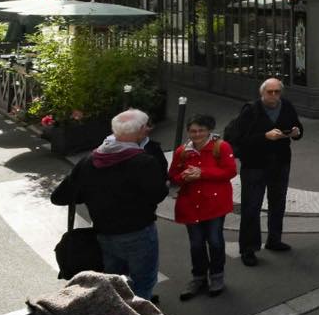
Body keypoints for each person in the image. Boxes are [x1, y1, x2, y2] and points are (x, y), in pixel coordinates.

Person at [50, 108, 169, 302]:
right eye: (146, 126)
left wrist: (94, 193)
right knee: (143, 281)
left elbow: (59, 197)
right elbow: (158, 194)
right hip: (138, 233)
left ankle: (117, 313)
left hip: (104, 234)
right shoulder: (144, 162)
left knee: (113, 281)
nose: (148, 129)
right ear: (139, 131)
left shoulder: (89, 160)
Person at [228, 77, 304, 266]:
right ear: (262, 93)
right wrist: (265, 137)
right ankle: (248, 248)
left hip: (280, 163)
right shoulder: (251, 111)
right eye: (269, 92)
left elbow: (298, 127)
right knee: (251, 207)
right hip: (255, 165)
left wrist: (296, 132)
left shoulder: (286, 106)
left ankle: (274, 239)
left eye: (277, 92)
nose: (273, 95)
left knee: (278, 203)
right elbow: (240, 140)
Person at [169, 113, 238, 300]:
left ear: (209, 131)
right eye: (193, 131)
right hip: (191, 204)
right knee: (196, 244)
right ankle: (198, 277)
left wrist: (202, 173)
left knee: (215, 240)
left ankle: (217, 276)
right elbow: (173, 176)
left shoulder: (220, 147)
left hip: (214, 204)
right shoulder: (182, 151)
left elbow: (230, 171)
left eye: (201, 130)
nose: (197, 134)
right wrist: (184, 176)